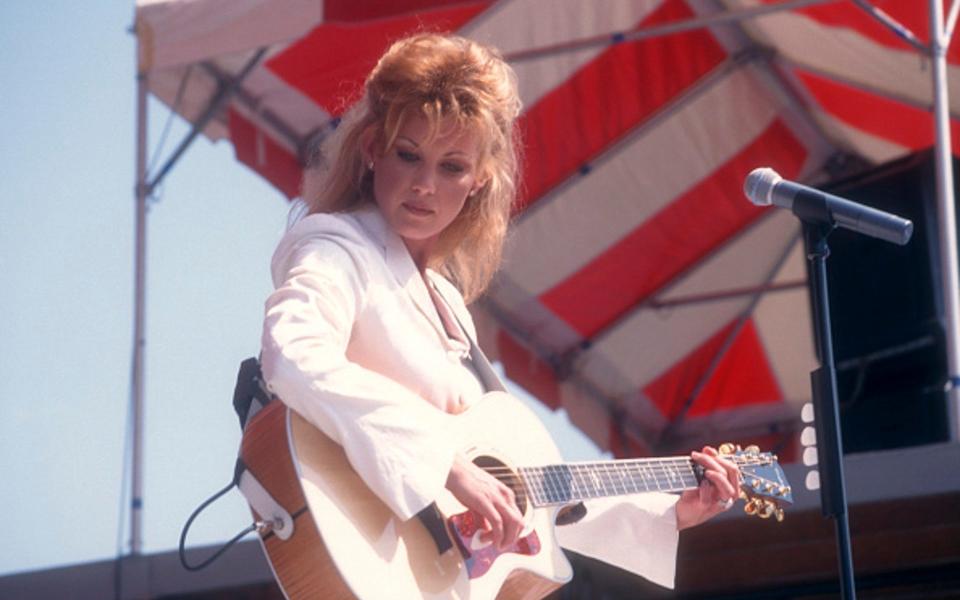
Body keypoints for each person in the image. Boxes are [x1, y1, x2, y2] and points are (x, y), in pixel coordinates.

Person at [260, 32, 740, 591]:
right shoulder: (335, 247)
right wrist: (443, 464)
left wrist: (668, 511)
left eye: (452, 167)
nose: (423, 185)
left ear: (481, 178)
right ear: (372, 148)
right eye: (408, 154)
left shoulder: (448, 307)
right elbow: (292, 353)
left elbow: (527, 493)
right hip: (376, 559)